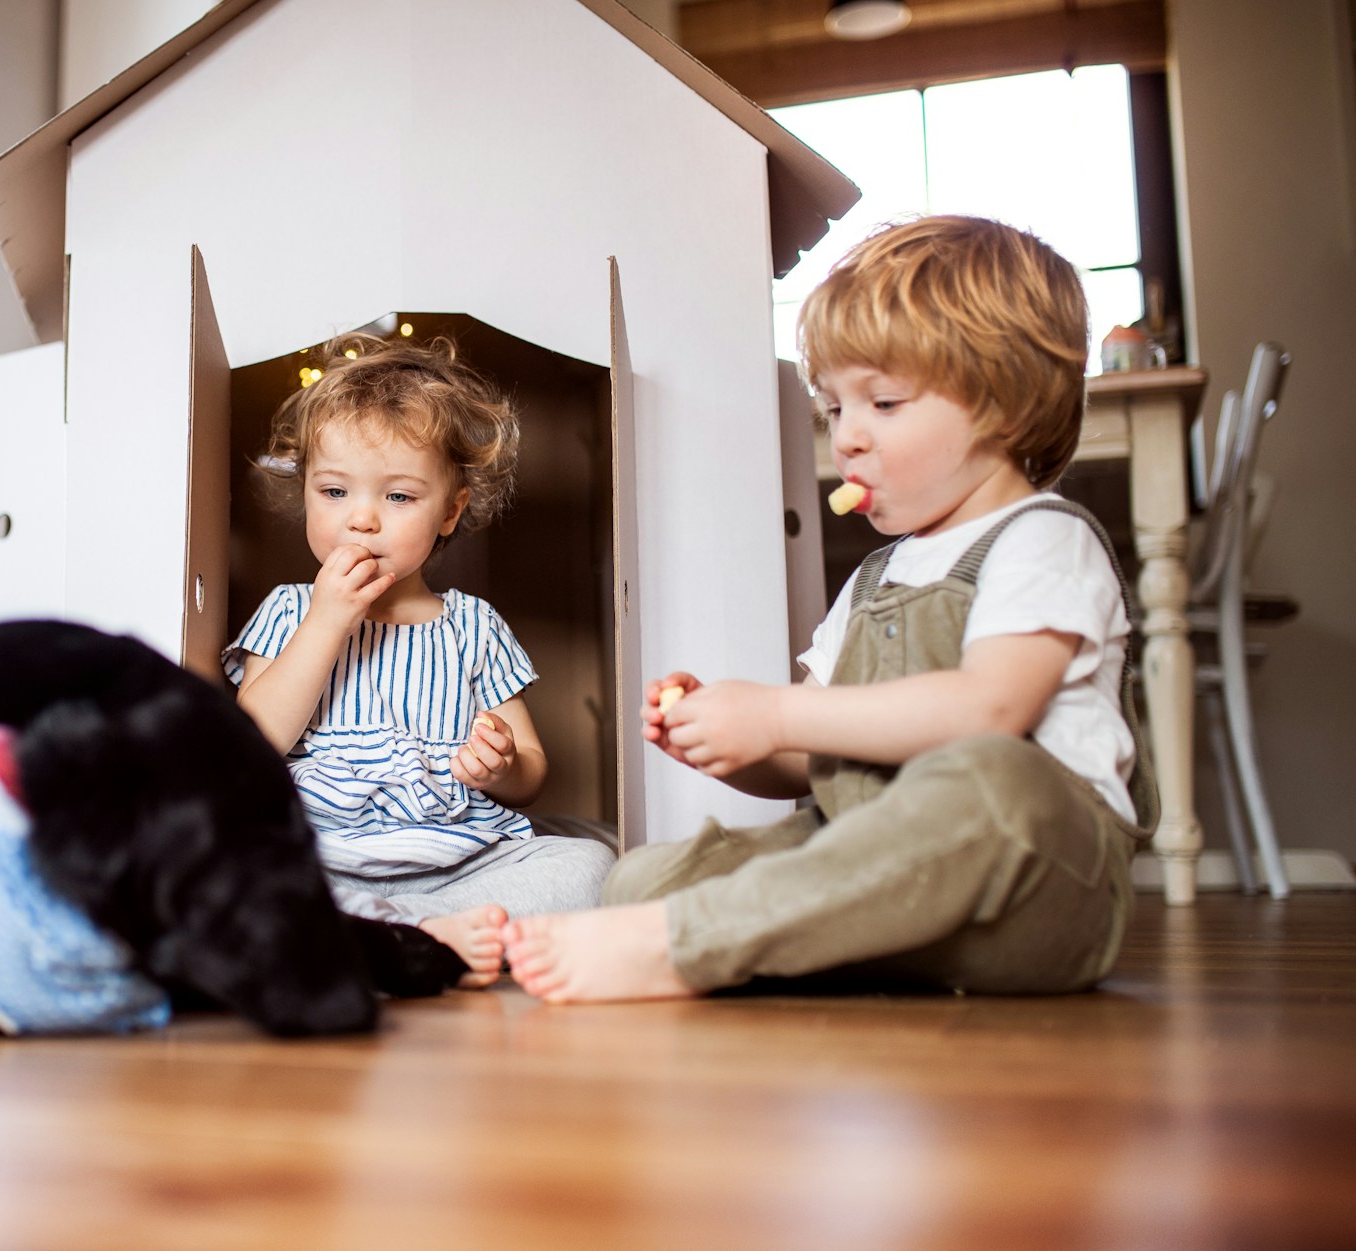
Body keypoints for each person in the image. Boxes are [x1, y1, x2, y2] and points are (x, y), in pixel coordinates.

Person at [503, 215, 1158, 1003]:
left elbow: (990, 708)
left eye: (881, 403)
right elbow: (811, 757)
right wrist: (734, 740)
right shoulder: (878, 576)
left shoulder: (1043, 539)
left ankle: (689, 942)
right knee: (643, 876)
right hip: (886, 877)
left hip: (1035, 884)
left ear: (1004, 407)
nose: (845, 438)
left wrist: (777, 714)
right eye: (834, 409)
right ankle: (750, 930)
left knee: (993, 781)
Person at [225, 333, 615, 986]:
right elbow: (253, 743)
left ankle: (399, 928)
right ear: (307, 493)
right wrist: (328, 621)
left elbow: (531, 771)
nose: (362, 520)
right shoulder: (292, 608)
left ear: (449, 511)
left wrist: (501, 763)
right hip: (322, 854)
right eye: (334, 492)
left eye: (398, 497)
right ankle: (406, 933)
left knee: (591, 866)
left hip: (458, 862)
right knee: (227, 863)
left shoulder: (471, 625)